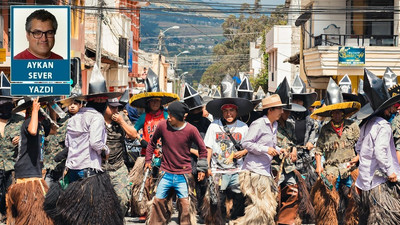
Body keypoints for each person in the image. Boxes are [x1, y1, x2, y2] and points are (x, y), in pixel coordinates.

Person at [43, 64, 123, 225]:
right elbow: (95, 142)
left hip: (71, 171)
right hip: (89, 173)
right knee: (93, 218)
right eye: (99, 99)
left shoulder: (74, 118)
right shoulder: (97, 118)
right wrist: (105, 150)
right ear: (92, 101)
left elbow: (68, 144)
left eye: (103, 99)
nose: (101, 101)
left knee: (72, 215)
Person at [145, 101, 208, 225]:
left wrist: (201, 169)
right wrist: (148, 160)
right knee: (157, 201)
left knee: (185, 205)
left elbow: (203, 149)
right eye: (168, 114)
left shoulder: (191, 130)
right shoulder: (162, 126)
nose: (168, 117)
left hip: (183, 174)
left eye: (171, 115)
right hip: (165, 172)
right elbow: (151, 143)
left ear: (180, 116)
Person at [310, 78, 361, 225]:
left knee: (354, 198)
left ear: (343, 113)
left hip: (350, 168)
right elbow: (318, 150)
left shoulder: (353, 126)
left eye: (340, 112)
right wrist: (319, 166)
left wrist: (357, 158)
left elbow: (362, 146)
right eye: (335, 113)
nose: (337, 115)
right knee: (328, 200)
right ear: (331, 113)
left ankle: (352, 221)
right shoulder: (325, 129)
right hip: (331, 169)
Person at [355, 69, 400, 225]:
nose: (395, 109)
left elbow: (359, 147)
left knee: (365, 218)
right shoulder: (384, 126)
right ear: (386, 108)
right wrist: (390, 172)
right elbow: (380, 152)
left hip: (364, 181)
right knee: (382, 219)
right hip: (378, 183)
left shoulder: (367, 124)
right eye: (393, 107)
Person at [203, 95, 251, 224]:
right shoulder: (214, 126)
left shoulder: (243, 127)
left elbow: (250, 146)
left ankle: (235, 221)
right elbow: (208, 148)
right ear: (222, 112)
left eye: (232, 110)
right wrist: (207, 167)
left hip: (238, 170)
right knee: (217, 202)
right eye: (225, 111)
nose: (229, 113)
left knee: (240, 200)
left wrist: (243, 152)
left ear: (236, 112)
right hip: (218, 170)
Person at [237, 94, 285, 224]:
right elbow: (246, 143)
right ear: (270, 110)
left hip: (265, 171)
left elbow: (271, 145)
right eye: (279, 108)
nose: (282, 111)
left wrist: (280, 150)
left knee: (265, 207)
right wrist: (266, 149)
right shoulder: (258, 124)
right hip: (254, 171)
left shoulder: (274, 125)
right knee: (261, 207)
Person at [6, 97, 54, 225]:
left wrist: (52, 107)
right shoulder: (28, 123)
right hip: (27, 175)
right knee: (29, 214)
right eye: (40, 107)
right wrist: (35, 111)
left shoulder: (41, 125)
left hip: (35, 174)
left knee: (39, 213)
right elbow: (32, 131)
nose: (42, 110)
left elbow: (55, 129)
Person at [273, 77, 314, 225]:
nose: (290, 113)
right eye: (287, 110)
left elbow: (293, 141)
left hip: (291, 164)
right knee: (275, 194)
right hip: (274, 165)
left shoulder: (291, 125)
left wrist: (295, 149)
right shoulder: (272, 125)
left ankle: (286, 221)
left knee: (293, 191)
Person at [102, 98, 136, 215]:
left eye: (117, 107)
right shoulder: (97, 119)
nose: (115, 110)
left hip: (118, 166)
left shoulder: (121, 117)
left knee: (123, 199)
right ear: (105, 107)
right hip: (100, 168)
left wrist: (121, 122)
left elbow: (133, 135)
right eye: (112, 107)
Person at [0, 95, 24, 222]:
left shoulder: (19, 120)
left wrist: (21, 139)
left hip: (13, 165)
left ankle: (11, 219)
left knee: (12, 196)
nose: (4, 108)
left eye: (7, 105)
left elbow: (31, 135)